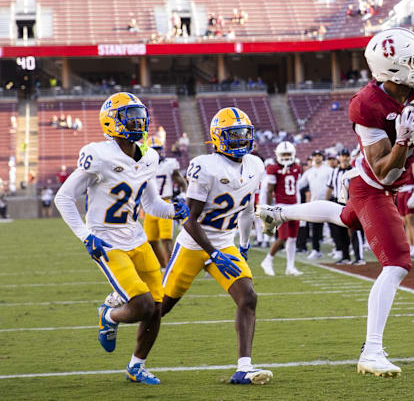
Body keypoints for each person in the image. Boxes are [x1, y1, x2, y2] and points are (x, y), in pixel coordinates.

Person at [256, 27, 414, 377]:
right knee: (396, 263)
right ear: (393, 69)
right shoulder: (366, 104)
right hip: (374, 183)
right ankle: (372, 350)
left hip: (372, 181)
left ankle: (278, 212)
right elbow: (385, 172)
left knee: (345, 219)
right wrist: (404, 141)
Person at [54, 93, 189, 384]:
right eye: (129, 116)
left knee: (157, 305)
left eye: (139, 115)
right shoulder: (99, 154)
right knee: (141, 305)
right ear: (111, 121)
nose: (137, 121)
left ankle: (136, 367)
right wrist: (85, 235)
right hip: (106, 241)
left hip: (136, 238)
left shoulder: (150, 156)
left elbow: (152, 205)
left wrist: (175, 210)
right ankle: (109, 316)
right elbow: (63, 197)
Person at [161, 107, 273, 384]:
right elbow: (189, 219)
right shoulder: (205, 165)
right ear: (217, 137)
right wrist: (212, 253)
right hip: (194, 244)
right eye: (233, 135)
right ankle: (113, 313)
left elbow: (247, 208)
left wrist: (244, 244)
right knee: (158, 308)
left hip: (225, 242)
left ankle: (244, 367)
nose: (240, 140)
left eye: (244, 134)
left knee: (248, 297)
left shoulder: (255, 164)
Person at [260, 142, 304, 276]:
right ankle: (268, 260)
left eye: (288, 154)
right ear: (277, 155)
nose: (285, 157)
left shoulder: (297, 168)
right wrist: (269, 210)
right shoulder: (273, 168)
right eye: (283, 154)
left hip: (294, 205)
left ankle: (290, 267)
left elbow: (296, 189)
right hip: (281, 207)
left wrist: (300, 206)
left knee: (292, 238)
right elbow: (269, 191)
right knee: (282, 238)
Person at [144, 136, 187, 268]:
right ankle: (163, 267)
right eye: (153, 150)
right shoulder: (142, 166)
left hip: (165, 203)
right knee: (151, 241)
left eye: (158, 150)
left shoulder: (169, 164)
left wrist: (183, 195)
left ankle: (170, 267)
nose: (157, 153)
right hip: (150, 206)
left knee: (166, 239)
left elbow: (181, 181)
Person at [297, 150, 333, 259]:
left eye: (319, 156)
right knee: (315, 229)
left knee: (334, 227)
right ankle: (316, 250)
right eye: (315, 156)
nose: (317, 158)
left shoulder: (329, 170)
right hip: (315, 203)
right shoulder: (309, 172)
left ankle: (339, 249)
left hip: (329, 202)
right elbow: (299, 184)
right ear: (312, 158)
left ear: (322, 157)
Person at [326, 148, 355, 264]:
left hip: (350, 203)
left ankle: (354, 253)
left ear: (349, 157)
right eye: (342, 156)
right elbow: (330, 187)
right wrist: (326, 202)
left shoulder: (354, 171)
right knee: (338, 230)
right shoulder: (334, 172)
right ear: (339, 157)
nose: (344, 158)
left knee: (351, 229)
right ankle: (344, 255)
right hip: (336, 201)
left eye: (346, 155)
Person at [395, 152, 414, 257]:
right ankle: (410, 245)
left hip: (410, 189)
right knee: (405, 221)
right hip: (401, 191)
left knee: (411, 219)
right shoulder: (400, 156)